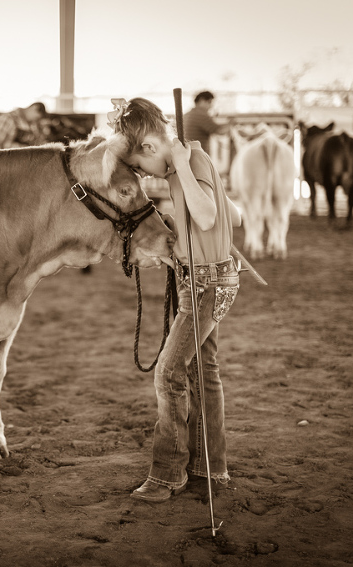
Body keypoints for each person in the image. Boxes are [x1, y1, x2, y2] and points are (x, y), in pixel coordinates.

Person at [106, 97, 242, 502]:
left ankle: (168, 476)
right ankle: (210, 467)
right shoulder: (197, 160)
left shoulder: (188, 162)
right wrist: (179, 236)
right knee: (204, 372)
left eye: (140, 170)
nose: (145, 178)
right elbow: (232, 215)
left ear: (149, 148)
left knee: (167, 373)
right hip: (202, 279)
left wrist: (181, 169)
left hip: (205, 284)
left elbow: (207, 218)